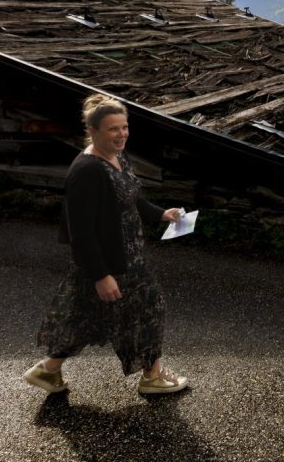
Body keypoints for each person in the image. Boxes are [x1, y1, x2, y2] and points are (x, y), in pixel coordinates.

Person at [23, 94, 189, 395]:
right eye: (113, 129)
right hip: (113, 261)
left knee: (86, 317)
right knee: (150, 308)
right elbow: (81, 233)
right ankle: (152, 377)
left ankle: (48, 371)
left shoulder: (116, 155)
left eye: (124, 127)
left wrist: (161, 214)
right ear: (93, 131)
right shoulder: (87, 171)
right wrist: (101, 275)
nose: (122, 134)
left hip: (127, 255)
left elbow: (131, 196)